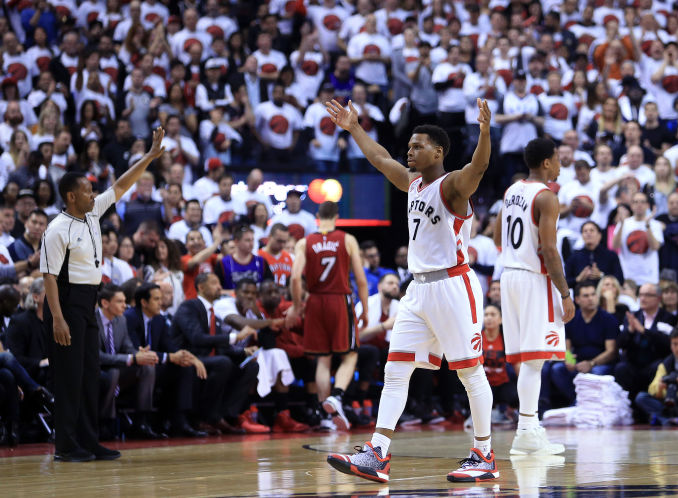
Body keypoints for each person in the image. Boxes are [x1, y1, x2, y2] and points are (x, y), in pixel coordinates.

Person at [325, 98, 498, 482]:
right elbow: (381, 159)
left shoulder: (452, 185)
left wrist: (484, 132)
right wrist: (354, 128)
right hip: (417, 291)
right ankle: (378, 454)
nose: (410, 151)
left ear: (438, 152)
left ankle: (484, 454)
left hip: (454, 285)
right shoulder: (413, 182)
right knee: (396, 369)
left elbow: (480, 165)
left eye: (418, 146)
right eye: (410, 146)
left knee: (469, 373)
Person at [39, 127, 165, 462]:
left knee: (89, 373)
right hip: (65, 303)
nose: (93, 195)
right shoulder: (56, 230)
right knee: (68, 378)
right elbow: (49, 278)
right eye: (87, 191)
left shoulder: (93, 212)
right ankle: (65, 447)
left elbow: (121, 184)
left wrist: (149, 157)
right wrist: (58, 319)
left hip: (89, 302)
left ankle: (88, 441)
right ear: (70, 197)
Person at [494, 137, 575, 456]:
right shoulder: (547, 197)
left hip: (509, 276)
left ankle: (530, 428)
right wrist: (565, 292)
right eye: (557, 159)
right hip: (533, 279)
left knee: (528, 359)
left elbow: (498, 236)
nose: (559, 164)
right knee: (535, 358)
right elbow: (549, 250)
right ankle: (526, 431)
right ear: (546, 163)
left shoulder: (512, 190)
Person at [289, 201, 368, 433]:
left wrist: (296, 306)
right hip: (338, 299)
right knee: (350, 354)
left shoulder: (305, 242)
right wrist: (365, 307)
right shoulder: (347, 239)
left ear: (317, 216)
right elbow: (361, 279)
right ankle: (337, 396)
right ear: (336, 216)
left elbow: (295, 278)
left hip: (314, 300)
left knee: (323, 359)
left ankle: (325, 417)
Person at [123, 283, 208, 438]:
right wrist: (170, 357)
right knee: (151, 368)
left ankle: (180, 422)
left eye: (161, 298)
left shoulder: (159, 320)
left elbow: (171, 348)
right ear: (144, 302)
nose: (161, 302)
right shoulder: (130, 317)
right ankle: (141, 423)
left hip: (153, 365)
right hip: (132, 367)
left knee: (184, 367)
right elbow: (135, 350)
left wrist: (190, 358)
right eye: (156, 299)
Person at [96, 284, 160, 440]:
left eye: (124, 301)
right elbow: (96, 356)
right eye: (119, 301)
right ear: (105, 303)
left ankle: (141, 422)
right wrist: (131, 358)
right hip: (95, 370)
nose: (125, 305)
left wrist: (140, 355)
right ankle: (104, 424)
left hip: (116, 367)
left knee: (147, 368)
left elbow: (127, 348)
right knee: (113, 373)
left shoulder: (121, 320)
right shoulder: (92, 320)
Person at [541, 281, 618, 408]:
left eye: (593, 295)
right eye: (586, 296)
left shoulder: (608, 319)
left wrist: (591, 363)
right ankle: (578, 401)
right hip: (578, 363)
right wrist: (569, 360)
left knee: (596, 373)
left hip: (600, 364)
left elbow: (611, 351)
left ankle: (579, 404)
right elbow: (567, 346)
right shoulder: (572, 319)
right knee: (557, 369)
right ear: (577, 299)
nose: (591, 299)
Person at [614, 283, 677, 400]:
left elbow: (668, 345)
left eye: (648, 295)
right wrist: (630, 331)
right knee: (621, 368)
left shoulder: (669, 318)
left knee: (658, 367)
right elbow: (620, 344)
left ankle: (651, 407)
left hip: (655, 361)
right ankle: (629, 407)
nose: (643, 298)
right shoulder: (633, 316)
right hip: (634, 361)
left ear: (658, 298)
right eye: (641, 294)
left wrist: (644, 331)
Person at [612, 192, 663, 286]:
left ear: (648, 205)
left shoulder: (655, 225)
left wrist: (647, 225)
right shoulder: (624, 223)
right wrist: (622, 224)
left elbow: (655, 247)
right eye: (636, 202)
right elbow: (615, 246)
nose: (639, 205)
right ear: (631, 205)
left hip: (649, 277)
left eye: (642, 202)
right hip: (627, 277)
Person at [634, 329, 678, 426]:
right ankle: (668, 419)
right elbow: (652, 389)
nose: (677, 348)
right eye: (674, 344)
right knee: (641, 397)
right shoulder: (666, 363)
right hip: (668, 402)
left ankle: (664, 419)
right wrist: (660, 388)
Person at [565, 221, 624, 288]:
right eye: (585, 231)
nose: (588, 233)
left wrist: (602, 275)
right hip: (581, 296)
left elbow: (620, 280)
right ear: (582, 235)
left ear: (599, 235)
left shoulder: (611, 255)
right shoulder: (574, 257)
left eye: (591, 230)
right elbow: (566, 283)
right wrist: (578, 279)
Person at [258, 223, 293, 288]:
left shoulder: (290, 257)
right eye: (279, 241)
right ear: (270, 237)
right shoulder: (258, 256)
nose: (282, 245)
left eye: (284, 242)